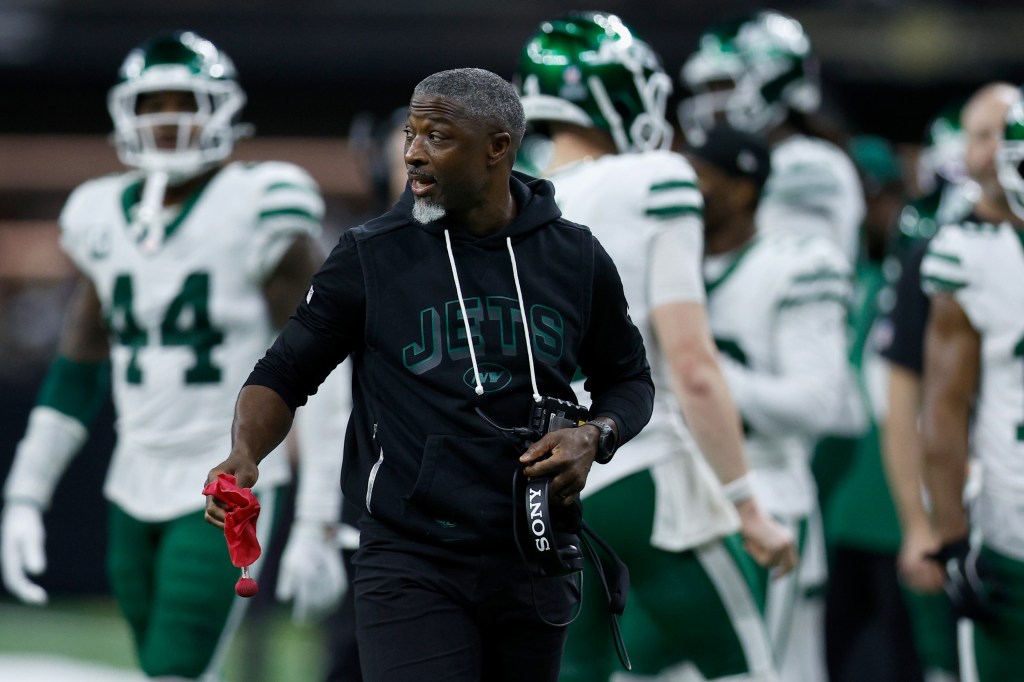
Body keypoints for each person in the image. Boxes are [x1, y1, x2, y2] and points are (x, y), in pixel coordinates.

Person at [204, 67, 655, 682]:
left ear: (498, 147)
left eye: (436, 137)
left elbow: (630, 381)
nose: (412, 154)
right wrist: (245, 452)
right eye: (411, 135)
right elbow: (283, 373)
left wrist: (593, 435)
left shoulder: (575, 255)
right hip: (411, 556)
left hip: (534, 550)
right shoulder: (371, 252)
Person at [0, 31, 346, 681]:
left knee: (173, 671)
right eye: (151, 103)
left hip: (222, 481)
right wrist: (25, 493)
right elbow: (77, 370)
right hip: (130, 482)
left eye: (182, 101)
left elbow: (324, 364)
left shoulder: (259, 204)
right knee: (166, 667)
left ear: (221, 109)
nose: (167, 120)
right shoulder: (99, 213)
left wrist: (319, 520)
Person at [513, 12, 795, 682]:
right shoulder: (652, 180)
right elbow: (691, 366)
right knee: (750, 666)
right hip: (642, 471)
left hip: (541, 486)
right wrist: (747, 504)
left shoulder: (511, 207)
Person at [693, 125, 853, 682]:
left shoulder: (796, 264)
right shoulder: (669, 261)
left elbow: (815, 403)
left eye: (700, 178)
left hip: (767, 492)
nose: (684, 191)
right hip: (681, 498)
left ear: (741, 190)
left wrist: (704, 375)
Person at [881, 83, 1020, 682]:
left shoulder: (965, 254)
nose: (992, 153)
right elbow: (912, 402)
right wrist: (927, 525)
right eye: (982, 136)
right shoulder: (948, 247)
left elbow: (940, 412)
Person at [821, 135, 927, 682]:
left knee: (904, 658)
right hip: (843, 503)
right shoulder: (848, 283)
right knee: (835, 656)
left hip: (898, 507)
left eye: (876, 196)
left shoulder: (918, 284)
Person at [677, 8, 865, 269]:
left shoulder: (808, 165)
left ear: (771, 80)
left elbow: (793, 270)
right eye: (706, 90)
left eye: (722, 86)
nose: (710, 105)